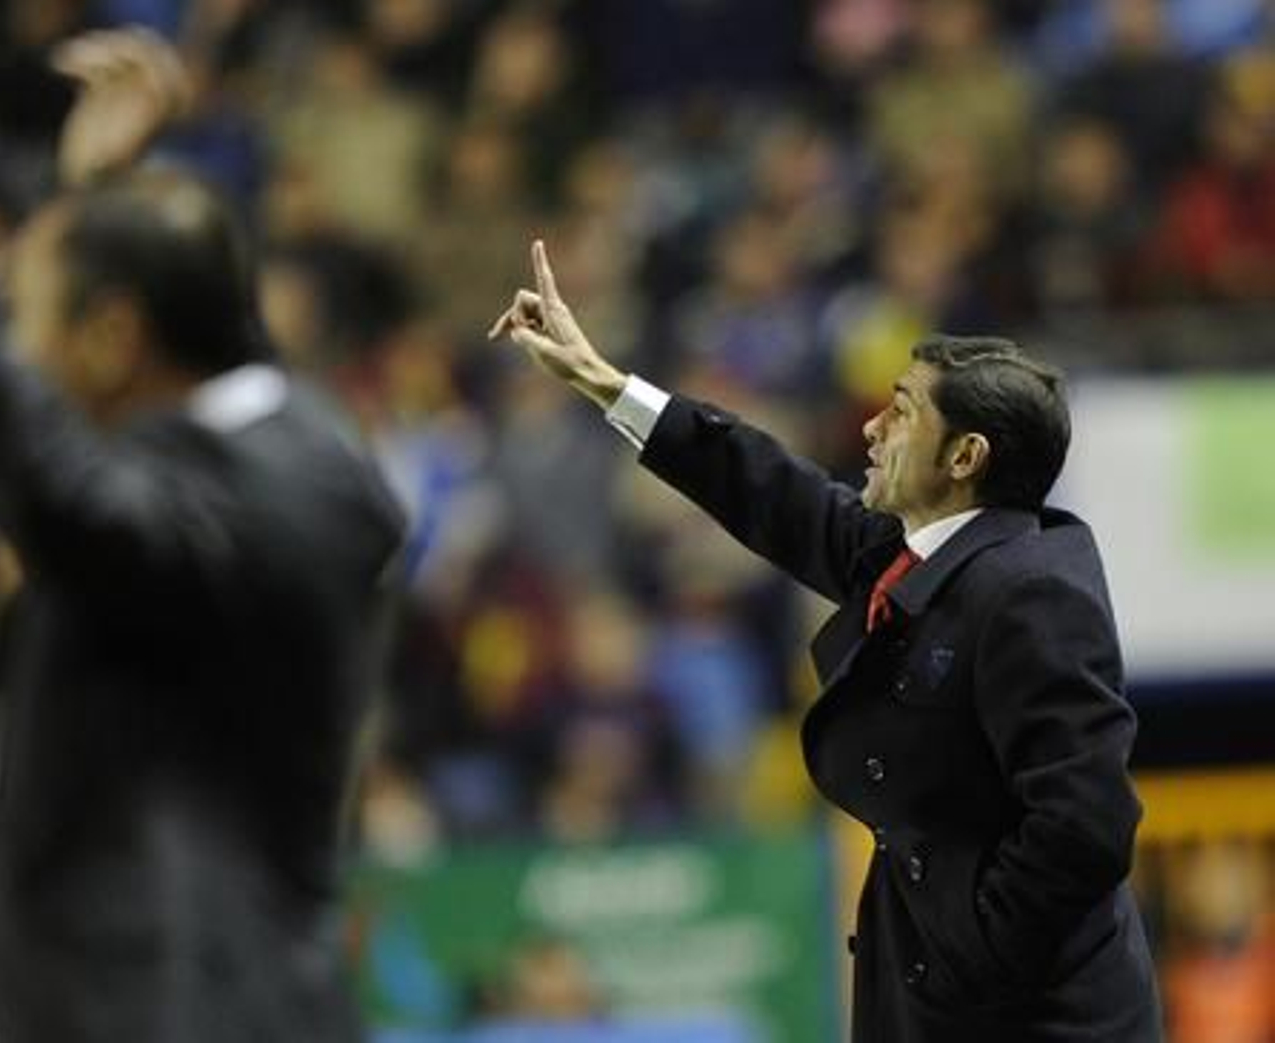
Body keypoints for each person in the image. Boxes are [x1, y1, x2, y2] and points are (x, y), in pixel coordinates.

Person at [0, 32, 404, 1043]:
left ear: (113, 337)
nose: (15, 349)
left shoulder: (294, 494)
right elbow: (109, 399)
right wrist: (100, 199)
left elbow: (66, 489)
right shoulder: (244, 454)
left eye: (28, 318)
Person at [491, 241, 1162, 1041]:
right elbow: (767, 487)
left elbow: (1087, 820)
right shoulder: (917, 553)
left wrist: (975, 954)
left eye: (902, 410)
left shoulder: (1032, 592)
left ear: (965, 455)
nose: (872, 427)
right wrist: (602, 380)